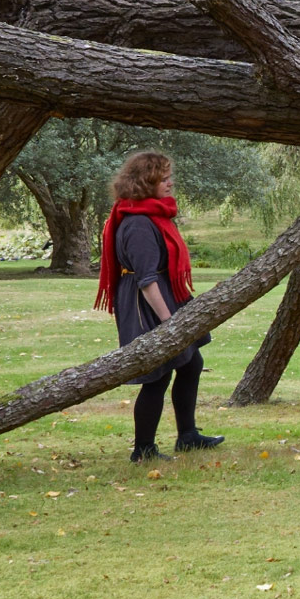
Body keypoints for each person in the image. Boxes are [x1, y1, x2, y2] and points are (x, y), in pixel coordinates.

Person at [95, 151, 222, 462]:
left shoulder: (153, 215)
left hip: (165, 295)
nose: (170, 183)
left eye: (169, 177)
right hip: (148, 304)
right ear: (145, 183)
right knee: (158, 373)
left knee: (190, 362)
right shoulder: (138, 223)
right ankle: (143, 450)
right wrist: (171, 324)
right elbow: (146, 279)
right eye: (164, 179)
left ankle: (188, 435)